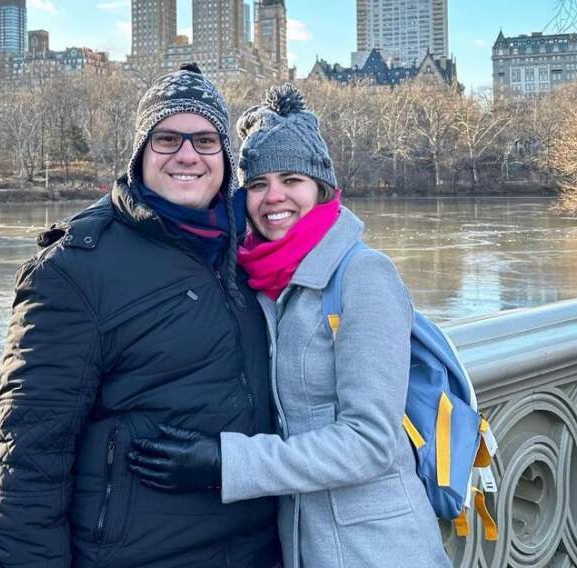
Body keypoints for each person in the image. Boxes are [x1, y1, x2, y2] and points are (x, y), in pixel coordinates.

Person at [128, 85, 452, 568]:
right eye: (257, 184)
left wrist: (225, 462)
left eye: (292, 179)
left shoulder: (363, 275)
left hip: (381, 548)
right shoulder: (261, 283)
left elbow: (371, 443)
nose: (273, 197)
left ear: (321, 188)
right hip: (301, 546)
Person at [0, 64, 280, 568]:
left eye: (205, 140)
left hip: (263, 549)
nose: (188, 154)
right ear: (140, 153)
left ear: (226, 158)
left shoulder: (252, 250)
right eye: (167, 139)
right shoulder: (74, 270)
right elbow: (27, 459)